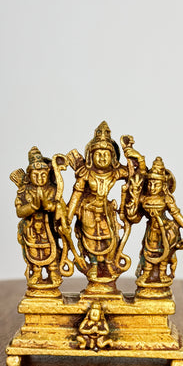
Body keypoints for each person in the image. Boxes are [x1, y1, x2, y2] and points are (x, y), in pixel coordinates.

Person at [67, 122, 130, 285]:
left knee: (111, 237)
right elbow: (76, 194)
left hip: (106, 211)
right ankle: (94, 265)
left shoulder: (115, 172)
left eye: (106, 154)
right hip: (87, 210)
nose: (102, 158)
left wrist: (129, 152)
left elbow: (134, 174)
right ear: (90, 156)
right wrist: (68, 215)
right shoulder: (86, 173)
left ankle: (108, 264)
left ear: (113, 157)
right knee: (91, 239)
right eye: (98, 154)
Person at [125, 156, 183, 289]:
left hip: (165, 230)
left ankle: (161, 273)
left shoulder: (166, 199)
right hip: (151, 230)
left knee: (164, 252)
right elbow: (134, 216)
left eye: (156, 184)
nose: (152, 187)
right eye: (150, 184)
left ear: (164, 185)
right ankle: (147, 273)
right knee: (148, 250)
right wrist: (134, 195)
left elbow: (176, 214)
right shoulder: (145, 198)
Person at [12, 147, 63, 289]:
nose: (40, 179)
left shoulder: (52, 190)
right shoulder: (24, 192)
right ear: (29, 176)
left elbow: (59, 207)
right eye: (36, 175)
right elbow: (19, 212)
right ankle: (36, 272)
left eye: (43, 175)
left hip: (48, 227)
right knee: (33, 251)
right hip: (31, 227)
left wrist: (49, 205)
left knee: (51, 249)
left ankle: (53, 271)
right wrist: (32, 206)